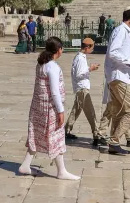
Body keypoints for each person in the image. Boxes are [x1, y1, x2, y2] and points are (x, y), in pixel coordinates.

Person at [18, 37, 79, 180]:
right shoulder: (52, 67)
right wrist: (61, 111)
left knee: (37, 135)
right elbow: (55, 91)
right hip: (49, 108)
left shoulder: (41, 64)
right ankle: (61, 171)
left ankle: (26, 165)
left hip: (38, 107)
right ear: (59, 50)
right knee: (57, 136)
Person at [99, 8, 130, 155]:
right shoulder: (121, 30)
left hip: (122, 75)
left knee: (118, 111)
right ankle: (114, 140)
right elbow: (113, 52)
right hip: (118, 77)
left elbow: (122, 53)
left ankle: (114, 146)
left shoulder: (126, 31)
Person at [64, 38, 103, 145]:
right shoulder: (80, 59)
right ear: (87, 47)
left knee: (76, 110)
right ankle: (96, 135)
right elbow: (79, 74)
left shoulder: (79, 57)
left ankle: (66, 130)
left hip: (80, 89)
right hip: (82, 89)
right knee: (91, 112)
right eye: (92, 48)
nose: (92, 50)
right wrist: (90, 68)